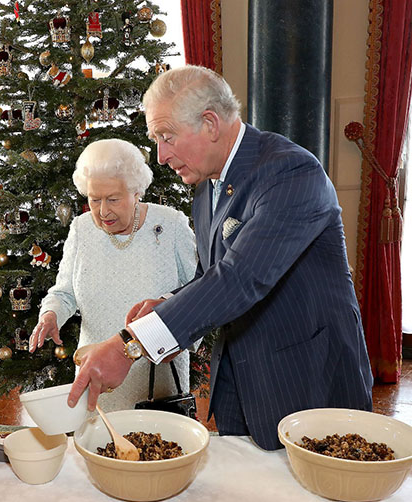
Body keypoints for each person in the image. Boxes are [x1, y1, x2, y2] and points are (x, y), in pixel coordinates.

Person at [68, 65, 373, 451]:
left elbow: (239, 279)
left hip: (307, 380)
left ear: (210, 124)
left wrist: (131, 344)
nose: (160, 156)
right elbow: (211, 275)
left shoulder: (291, 173)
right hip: (241, 384)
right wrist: (169, 303)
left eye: (166, 137)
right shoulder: (207, 185)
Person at [29, 139, 197, 412]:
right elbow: (64, 292)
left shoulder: (171, 224)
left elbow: (198, 294)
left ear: (136, 191)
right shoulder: (82, 229)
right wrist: (51, 315)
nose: (103, 211)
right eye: (94, 200)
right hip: (96, 375)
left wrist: (183, 340)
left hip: (157, 380)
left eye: (113, 199)